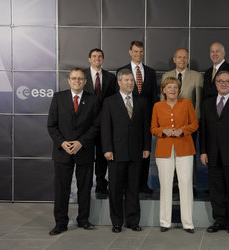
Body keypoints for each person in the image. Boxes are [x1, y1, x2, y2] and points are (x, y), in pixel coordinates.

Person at [47, 68, 100, 235]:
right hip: (62, 151)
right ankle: (61, 223)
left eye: (80, 79)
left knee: (84, 188)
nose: (77, 81)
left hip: (84, 150)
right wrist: (62, 143)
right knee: (61, 189)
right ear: (69, 80)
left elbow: (96, 125)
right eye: (74, 78)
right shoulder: (58, 98)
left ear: (85, 81)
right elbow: (51, 125)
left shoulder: (93, 99)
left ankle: (83, 219)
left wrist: (81, 142)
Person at [101, 69, 151, 233]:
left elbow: (145, 127)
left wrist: (146, 147)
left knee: (133, 189)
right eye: (127, 80)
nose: (130, 83)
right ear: (119, 82)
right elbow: (106, 128)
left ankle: (132, 221)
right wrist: (107, 149)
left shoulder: (142, 101)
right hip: (116, 152)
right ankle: (116, 222)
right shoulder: (109, 101)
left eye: (132, 80)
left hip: (136, 152)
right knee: (115, 189)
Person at [200, 71, 229, 234]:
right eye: (220, 81)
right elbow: (204, 130)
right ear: (216, 83)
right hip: (213, 155)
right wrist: (203, 151)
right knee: (216, 191)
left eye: (227, 81)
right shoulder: (207, 103)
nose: (223, 83)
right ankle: (219, 221)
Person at [151, 77, 198, 233]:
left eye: (175, 87)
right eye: (169, 87)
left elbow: (194, 124)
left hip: (184, 148)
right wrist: (163, 130)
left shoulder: (187, 103)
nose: (172, 90)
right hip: (164, 150)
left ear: (179, 90)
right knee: (165, 185)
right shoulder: (157, 106)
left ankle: (188, 223)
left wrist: (182, 130)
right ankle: (165, 222)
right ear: (163, 90)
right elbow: (153, 128)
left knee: (185, 184)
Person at [116, 41, 159, 194]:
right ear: (130, 52)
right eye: (135, 51)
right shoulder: (121, 71)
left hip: (145, 117)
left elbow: (155, 95)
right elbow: (118, 96)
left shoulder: (151, 72)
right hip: (127, 117)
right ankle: (127, 184)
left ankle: (142, 184)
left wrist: (155, 117)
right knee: (127, 151)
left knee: (145, 150)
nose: (138, 54)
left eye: (141, 51)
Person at [161, 48, 203, 195]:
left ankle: (190, 184)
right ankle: (173, 184)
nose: (182, 60)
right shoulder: (166, 75)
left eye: (185, 57)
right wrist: (164, 126)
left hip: (188, 126)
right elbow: (162, 101)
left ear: (188, 59)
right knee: (171, 155)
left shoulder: (197, 76)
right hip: (169, 126)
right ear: (174, 59)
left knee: (189, 155)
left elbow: (198, 102)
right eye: (179, 57)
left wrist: (194, 124)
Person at [84, 48, 117, 199]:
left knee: (103, 155)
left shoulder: (110, 77)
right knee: (88, 155)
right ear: (89, 59)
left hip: (105, 123)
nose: (97, 59)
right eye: (94, 56)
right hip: (86, 124)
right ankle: (85, 185)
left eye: (100, 56)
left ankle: (101, 184)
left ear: (103, 59)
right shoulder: (81, 76)